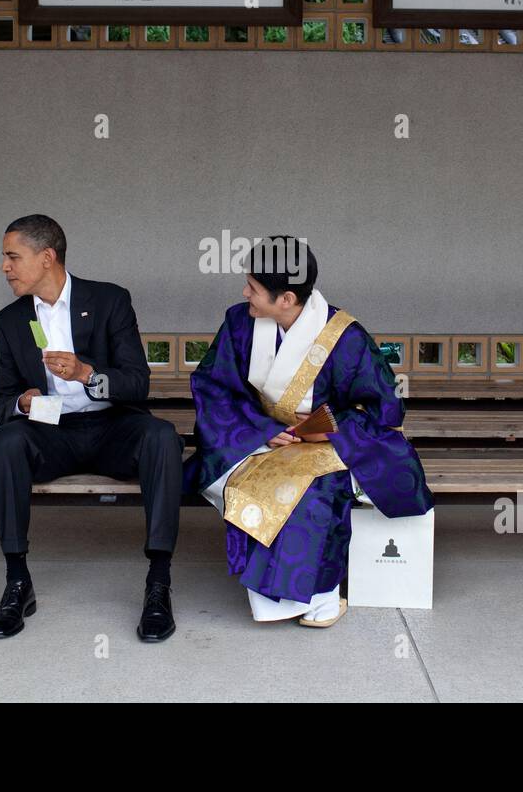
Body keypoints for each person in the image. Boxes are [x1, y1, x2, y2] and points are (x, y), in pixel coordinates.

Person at [184, 237, 434, 626]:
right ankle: (300, 601)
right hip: (258, 439)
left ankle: (316, 599)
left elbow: (384, 407)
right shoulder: (239, 322)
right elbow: (213, 387)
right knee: (253, 486)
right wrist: (261, 428)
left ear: (285, 299)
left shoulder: (344, 336)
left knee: (314, 493)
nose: (244, 292)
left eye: (252, 287)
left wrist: (331, 429)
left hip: (326, 444)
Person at [0, 214, 183, 642]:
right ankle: (17, 581)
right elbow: (2, 399)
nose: (4, 267)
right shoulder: (11, 319)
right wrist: (22, 401)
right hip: (51, 431)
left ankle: (158, 583)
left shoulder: (109, 300)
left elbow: (137, 381)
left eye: (12, 256)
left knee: (162, 436)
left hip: (112, 426)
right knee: (6, 442)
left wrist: (87, 373)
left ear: (47, 257)